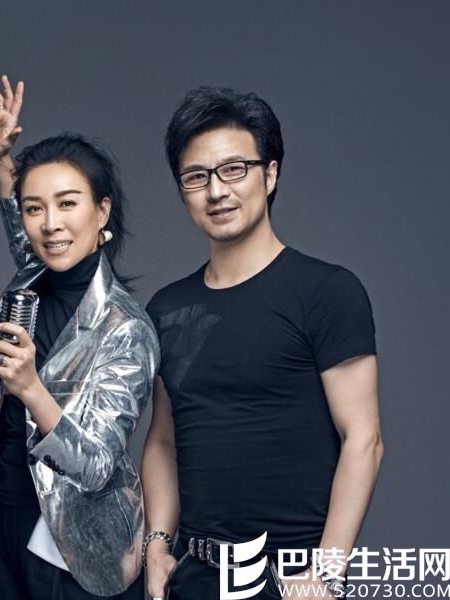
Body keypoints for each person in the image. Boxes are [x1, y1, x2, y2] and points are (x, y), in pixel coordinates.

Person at [141, 86, 384, 600]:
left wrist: (327, 572)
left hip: (291, 579)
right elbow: (163, 439)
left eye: (234, 170)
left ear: (270, 174)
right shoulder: (166, 308)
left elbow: (364, 439)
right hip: (195, 576)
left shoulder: (327, 291)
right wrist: (157, 546)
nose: (216, 191)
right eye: (196, 177)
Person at [0, 75, 159, 599]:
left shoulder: (126, 328)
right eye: (36, 208)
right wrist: (0, 159)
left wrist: (31, 389)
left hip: (77, 548)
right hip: (5, 518)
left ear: (102, 212)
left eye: (69, 204)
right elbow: (25, 227)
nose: (51, 224)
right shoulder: (34, 275)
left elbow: (95, 467)